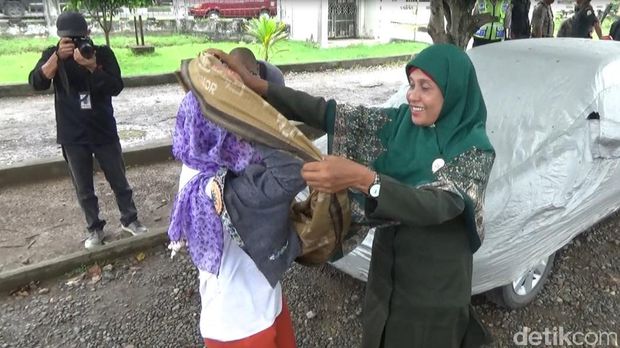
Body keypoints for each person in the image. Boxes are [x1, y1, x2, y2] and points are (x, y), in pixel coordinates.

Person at [212, 43, 496, 348]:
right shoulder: (402, 123)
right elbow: (330, 113)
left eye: (425, 87)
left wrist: (364, 180)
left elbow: (439, 203)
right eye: (412, 84)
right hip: (388, 266)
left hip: (435, 283)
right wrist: (263, 88)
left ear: (453, 91)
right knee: (380, 331)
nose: (412, 95)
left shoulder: (474, 148)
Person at [168, 50, 299, 348]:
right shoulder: (223, 185)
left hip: (263, 304)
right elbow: (293, 172)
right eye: (261, 110)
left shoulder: (201, 161)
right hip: (242, 329)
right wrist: (253, 126)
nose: (271, 117)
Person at [28, 11, 147, 249]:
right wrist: (55, 59)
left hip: (102, 128)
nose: (76, 44)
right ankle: (94, 228)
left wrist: (93, 66)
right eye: (69, 39)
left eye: (79, 38)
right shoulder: (52, 55)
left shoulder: (101, 53)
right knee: (83, 188)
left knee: (119, 179)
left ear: (88, 34)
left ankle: (130, 219)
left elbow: (116, 87)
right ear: (60, 38)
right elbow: (36, 83)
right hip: (72, 133)